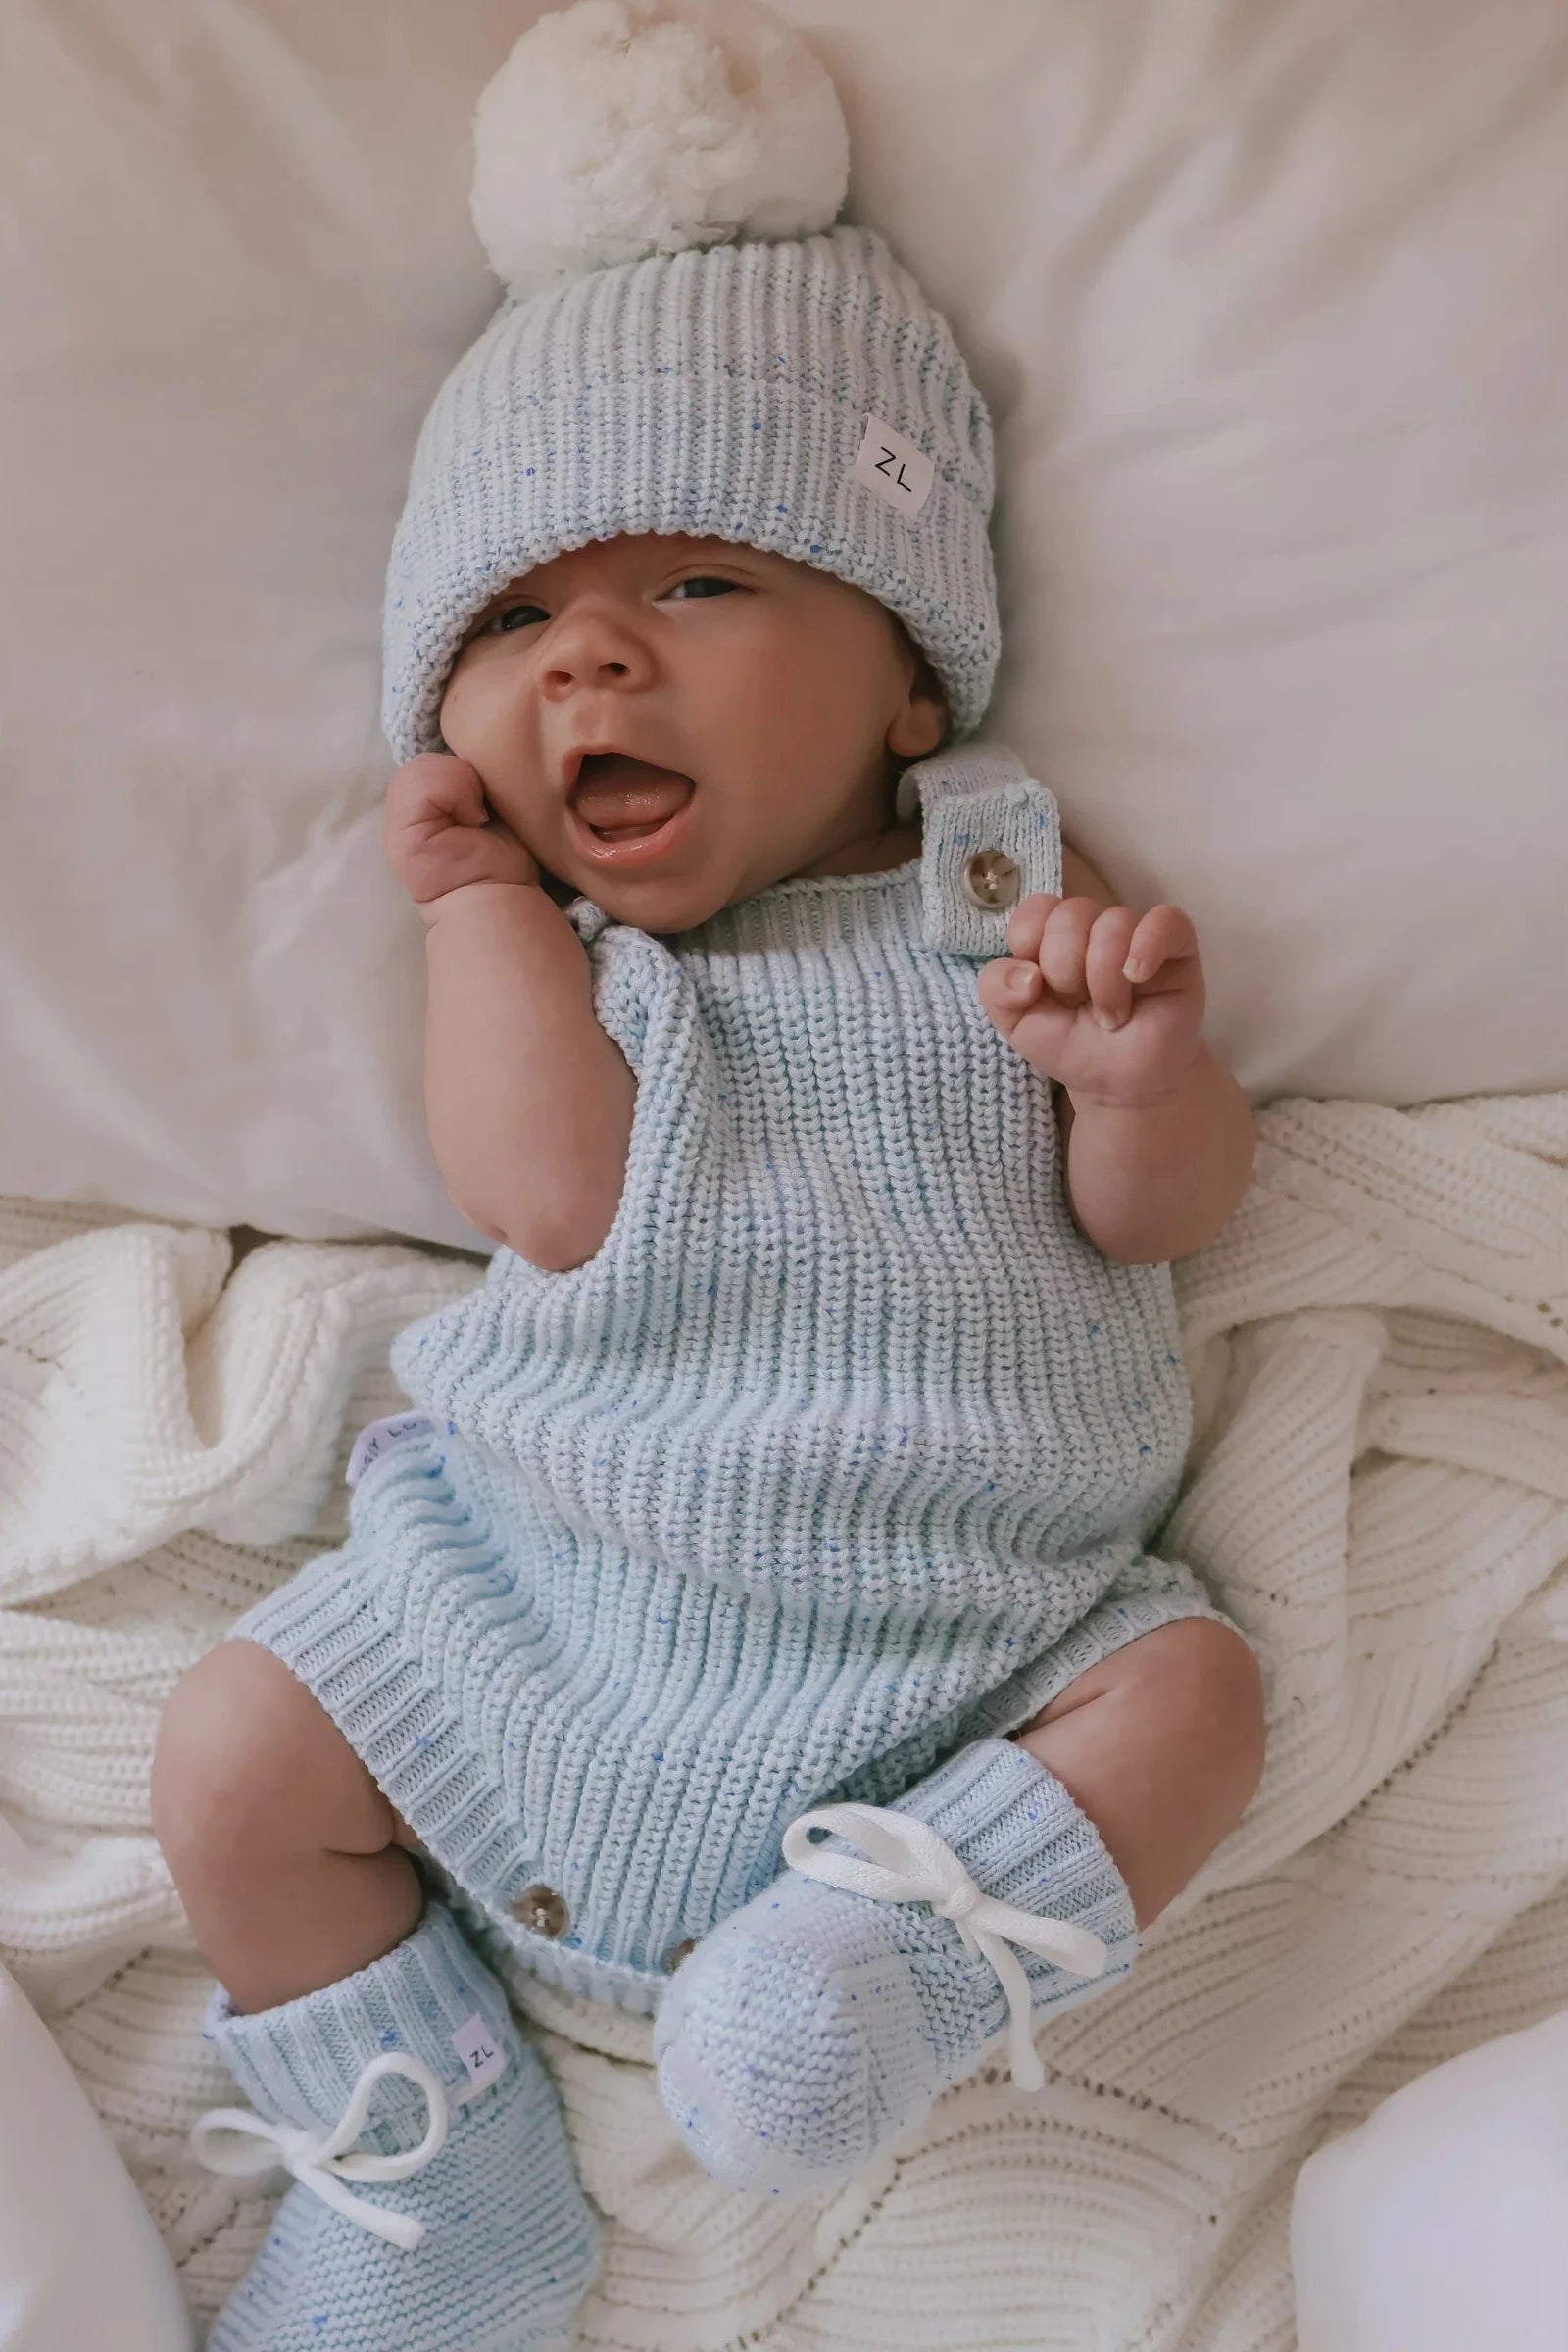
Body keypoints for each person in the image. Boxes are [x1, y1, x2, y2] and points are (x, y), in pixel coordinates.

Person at [151, 5, 1264, 2344]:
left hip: (975, 1627)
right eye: (511, 627)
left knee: (1194, 1704)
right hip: (553, 1595)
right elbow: (547, 1200)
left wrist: (1139, 1071)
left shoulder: (1005, 882)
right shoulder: (552, 957)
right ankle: (431, 2175)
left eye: (696, 592)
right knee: (239, 1754)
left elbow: (1155, 1226)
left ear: (906, 679)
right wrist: (471, 914)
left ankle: (884, 1960)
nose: (585, 669)